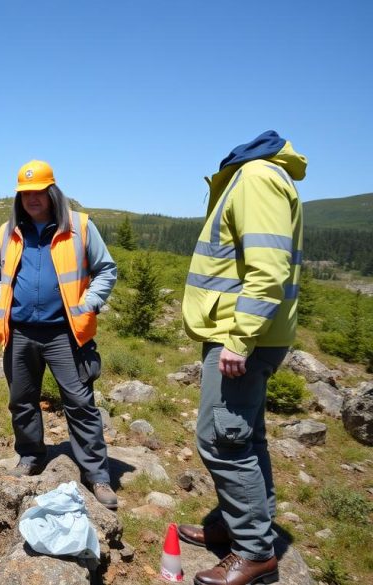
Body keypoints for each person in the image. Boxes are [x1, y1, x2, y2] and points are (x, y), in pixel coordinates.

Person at [178, 130, 306, 585]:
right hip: (248, 334)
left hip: (243, 337)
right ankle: (238, 527)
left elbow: (268, 268)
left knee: (223, 439)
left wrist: (239, 338)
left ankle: (254, 552)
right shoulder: (260, 175)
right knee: (245, 436)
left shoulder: (254, 177)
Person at [0, 159, 119, 510]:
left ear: (52, 191)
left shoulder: (80, 227)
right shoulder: (9, 231)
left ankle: (97, 475)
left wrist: (89, 303)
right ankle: (30, 456)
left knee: (80, 403)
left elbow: (106, 270)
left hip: (65, 333)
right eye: (25, 193)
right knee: (21, 400)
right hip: (20, 333)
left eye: (39, 192)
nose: (32, 198)